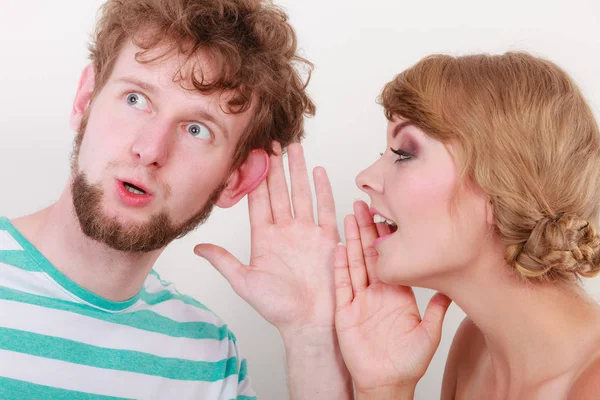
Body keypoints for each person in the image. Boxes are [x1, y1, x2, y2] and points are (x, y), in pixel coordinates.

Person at [0, 0, 352, 398]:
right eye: (135, 99)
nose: (150, 149)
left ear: (235, 179)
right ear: (85, 100)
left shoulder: (211, 360)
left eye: (197, 129)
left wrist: (311, 335)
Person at [332, 53, 600, 399]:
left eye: (403, 153)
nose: (365, 178)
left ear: (501, 186)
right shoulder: (474, 350)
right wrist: (385, 388)